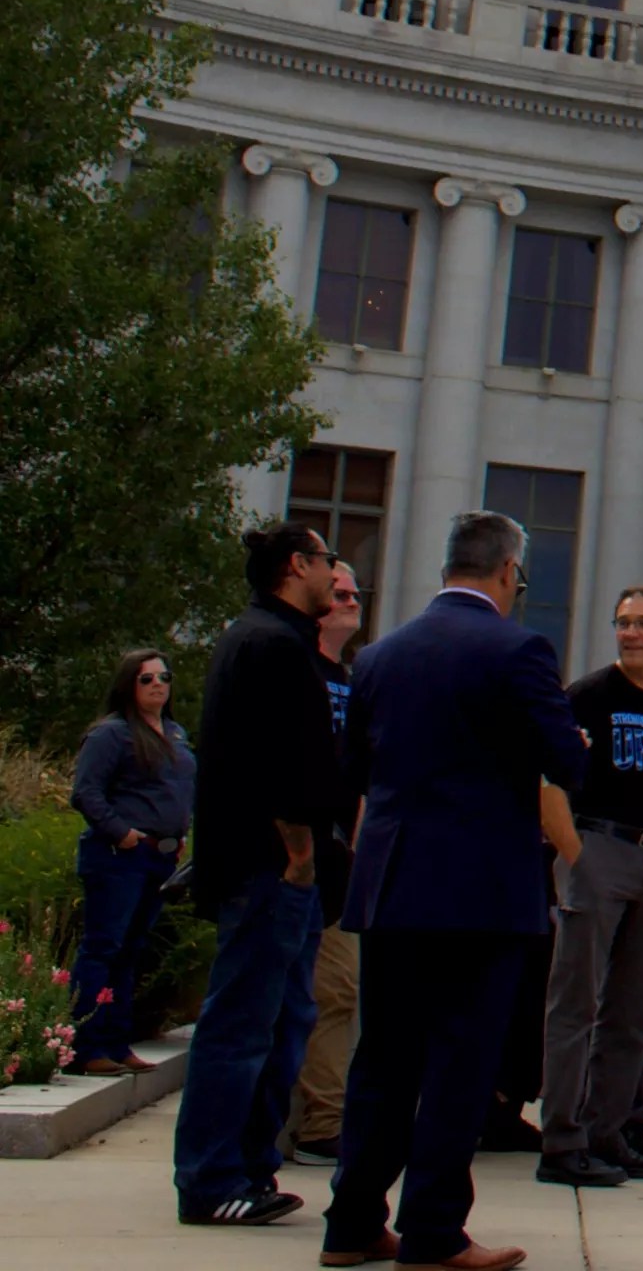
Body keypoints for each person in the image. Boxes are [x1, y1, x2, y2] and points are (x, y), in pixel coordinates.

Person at [323, 509, 589, 1271]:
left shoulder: (378, 656)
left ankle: (351, 1225)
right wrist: (570, 745)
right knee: (460, 1062)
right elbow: (566, 769)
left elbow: (353, 773)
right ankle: (434, 1233)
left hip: (395, 878)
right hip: (478, 887)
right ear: (508, 573)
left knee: (383, 1060)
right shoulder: (518, 650)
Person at [171, 520, 340, 1230]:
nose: (337, 572)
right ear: (296, 566)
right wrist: (299, 856)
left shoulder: (274, 640)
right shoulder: (269, 645)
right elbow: (277, 767)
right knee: (242, 1026)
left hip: (279, 874)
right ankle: (212, 1181)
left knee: (280, 1022)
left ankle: (247, 1167)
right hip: (268, 870)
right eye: (328, 560)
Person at [537, 584, 643, 1187]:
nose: (630, 633)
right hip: (599, 848)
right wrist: (577, 857)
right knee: (575, 1002)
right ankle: (562, 1141)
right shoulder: (586, 696)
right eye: (622, 622)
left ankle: (608, 1134)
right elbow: (549, 784)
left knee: (635, 1011)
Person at [68, 647, 195, 1077]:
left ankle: (118, 1043)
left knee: (131, 953)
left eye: (164, 677)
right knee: (104, 948)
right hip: (117, 857)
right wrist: (121, 832)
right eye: (147, 679)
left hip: (160, 858)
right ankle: (87, 1046)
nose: (158, 684)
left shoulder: (175, 734)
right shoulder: (112, 734)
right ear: (128, 685)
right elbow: (86, 792)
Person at [289, 559, 367, 1163]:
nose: (349, 600)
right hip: (291, 857)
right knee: (286, 993)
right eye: (338, 591)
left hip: (341, 862)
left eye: (354, 593)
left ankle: (323, 1123)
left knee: (339, 992)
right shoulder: (293, 665)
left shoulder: (351, 675)